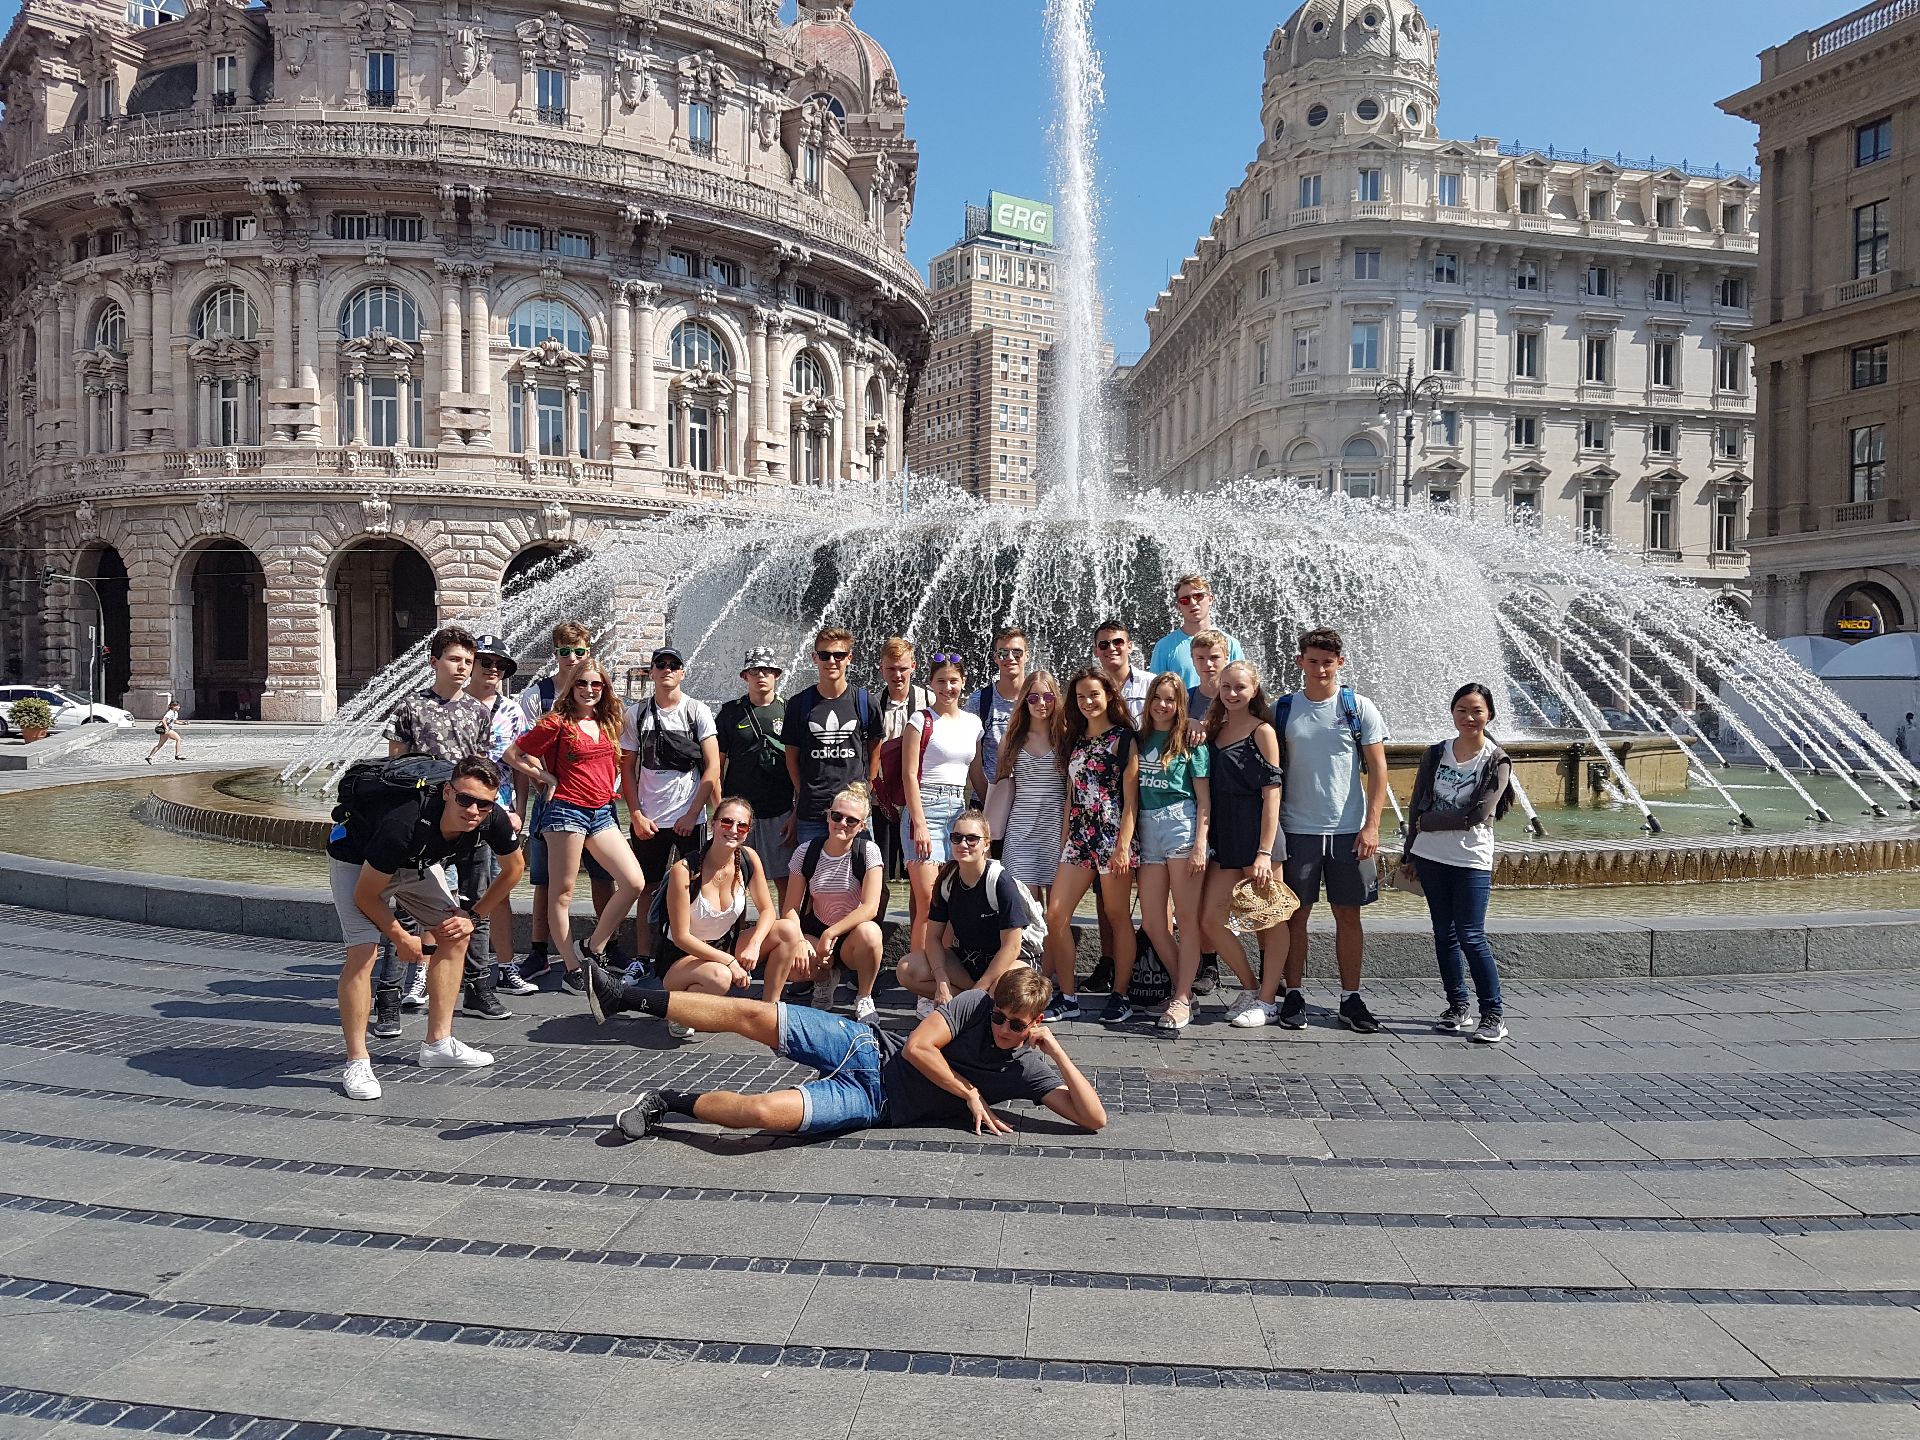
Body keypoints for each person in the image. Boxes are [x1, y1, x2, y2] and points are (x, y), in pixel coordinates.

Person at [584, 965, 1107, 1140]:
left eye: (1015, 1025)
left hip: (873, 1104)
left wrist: (1055, 1051)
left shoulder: (1027, 1067)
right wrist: (967, 1092)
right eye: (999, 1016)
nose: (1002, 1028)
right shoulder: (974, 1004)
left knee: (762, 1116)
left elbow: (1093, 1120)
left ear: (1033, 1024)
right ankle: (622, 996)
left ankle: (664, 1103)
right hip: (866, 1047)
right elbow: (920, 1047)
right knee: (755, 1015)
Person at [328, 755, 526, 1101]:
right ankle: (357, 1061)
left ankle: (438, 1043)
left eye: (484, 803)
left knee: (455, 933)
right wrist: (401, 937)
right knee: (363, 952)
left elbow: (514, 869)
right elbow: (366, 896)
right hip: (357, 860)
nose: (473, 811)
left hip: (415, 862)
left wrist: (472, 917)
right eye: (464, 799)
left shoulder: (491, 818)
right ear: (447, 792)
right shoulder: (403, 822)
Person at [380, 625, 506, 1024]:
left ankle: (478, 987)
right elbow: (395, 768)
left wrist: (491, 811)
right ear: (434, 662)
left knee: (475, 904)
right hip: (423, 826)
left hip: (470, 821)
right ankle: (389, 996)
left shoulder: (478, 711)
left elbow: (483, 769)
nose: (463, 667)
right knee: (406, 910)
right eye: (454, 659)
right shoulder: (411, 707)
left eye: (468, 661)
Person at [504, 657, 646, 992]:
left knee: (633, 882)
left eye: (596, 684)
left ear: (605, 688)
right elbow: (513, 754)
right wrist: (545, 776)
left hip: (601, 812)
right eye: (582, 683)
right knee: (562, 892)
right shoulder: (557, 722)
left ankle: (592, 947)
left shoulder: (608, 720)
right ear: (572, 687)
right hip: (565, 812)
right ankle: (571, 969)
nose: (589, 689)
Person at [1276, 628, 1390, 1034]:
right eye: (1313, 661)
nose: (1320, 669)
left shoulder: (1358, 707)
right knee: (1295, 915)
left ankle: (1350, 997)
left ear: (1340, 663)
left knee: (1348, 915)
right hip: (1297, 829)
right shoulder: (1283, 709)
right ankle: (1293, 993)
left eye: (1328, 662)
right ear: (1300, 662)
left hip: (1349, 831)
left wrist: (1372, 826)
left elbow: (1379, 770)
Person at [1405, 683, 1515, 1045]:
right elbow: (1417, 802)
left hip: (1471, 858)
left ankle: (1493, 1015)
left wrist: (1430, 821)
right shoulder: (1436, 753)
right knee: (1444, 933)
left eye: (1477, 711)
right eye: (1462, 710)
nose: (1469, 717)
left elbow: (1478, 814)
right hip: (1431, 855)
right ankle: (1457, 1007)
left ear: (1489, 715)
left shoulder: (1497, 760)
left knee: (1471, 935)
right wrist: (1410, 851)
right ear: (1452, 713)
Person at [1040, 669, 1140, 1024]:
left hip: (1112, 837)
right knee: (1056, 913)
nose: (1087, 702)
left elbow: (1131, 801)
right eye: (1081, 697)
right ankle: (1068, 996)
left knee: (1117, 916)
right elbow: (1072, 793)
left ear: (1109, 695)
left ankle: (1121, 996)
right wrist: (1065, 838)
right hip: (1080, 838)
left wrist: (1123, 846)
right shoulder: (1076, 739)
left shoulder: (1124, 739)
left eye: (1093, 694)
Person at [517, 622, 610, 982]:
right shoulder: (537, 696)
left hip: (597, 803)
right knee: (547, 881)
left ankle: (607, 947)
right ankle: (539, 951)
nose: (572, 658)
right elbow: (524, 749)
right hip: (554, 803)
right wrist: (544, 779)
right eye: (564, 651)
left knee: (603, 875)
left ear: (589, 652)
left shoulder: (597, 694)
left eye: (579, 651)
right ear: (555, 653)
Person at [1200, 661, 1290, 1028]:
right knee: (1210, 918)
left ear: (1254, 690)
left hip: (1258, 837)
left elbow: (1272, 795)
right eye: (1226, 687)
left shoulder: (1263, 731)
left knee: (1270, 919)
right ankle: (1251, 987)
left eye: (1240, 687)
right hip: (1226, 837)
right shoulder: (1215, 730)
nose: (1232, 693)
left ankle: (1268, 1001)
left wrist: (1264, 852)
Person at [652, 796, 781, 1038]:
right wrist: (729, 962)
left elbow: (768, 910)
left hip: (723, 946)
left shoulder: (748, 858)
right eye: (727, 822)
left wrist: (754, 944)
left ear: (748, 831)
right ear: (713, 823)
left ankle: (768, 1009)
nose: (733, 830)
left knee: (787, 931)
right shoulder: (684, 870)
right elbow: (681, 937)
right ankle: (681, 1011)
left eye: (742, 825)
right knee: (720, 977)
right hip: (681, 958)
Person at [621, 646, 720, 957]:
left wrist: (694, 813)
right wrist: (636, 814)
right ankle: (643, 956)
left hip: (690, 819)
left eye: (673, 665)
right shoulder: (636, 714)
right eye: (660, 664)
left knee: (694, 884)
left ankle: (691, 953)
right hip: (649, 819)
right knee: (646, 887)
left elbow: (713, 766)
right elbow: (626, 768)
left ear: (682, 673)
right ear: (651, 672)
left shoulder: (697, 711)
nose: (667, 670)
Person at [761, 782, 886, 1019]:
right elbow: (790, 907)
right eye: (837, 816)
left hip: (851, 935)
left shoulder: (868, 851)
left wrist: (831, 934)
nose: (842, 823)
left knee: (871, 933)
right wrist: (799, 940)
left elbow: (870, 907)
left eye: (851, 821)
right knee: (791, 960)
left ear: (862, 826)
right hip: (816, 930)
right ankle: (824, 978)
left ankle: (864, 996)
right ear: (828, 816)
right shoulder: (806, 851)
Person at [898, 809, 1043, 1013]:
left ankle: (973, 1004)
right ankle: (974, 1005)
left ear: (987, 844)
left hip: (1012, 960)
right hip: (970, 960)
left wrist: (978, 989)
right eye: (957, 838)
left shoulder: (1000, 882)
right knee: (906, 969)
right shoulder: (947, 881)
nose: (963, 844)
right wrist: (941, 981)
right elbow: (933, 937)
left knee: (1005, 987)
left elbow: (1011, 947)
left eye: (972, 839)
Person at [901, 652, 986, 980]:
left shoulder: (973, 723)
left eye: (953, 681)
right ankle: (919, 978)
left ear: (963, 682)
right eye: (941, 681)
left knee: (950, 903)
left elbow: (976, 774)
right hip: (924, 808)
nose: (948, 687)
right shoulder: (920, 720)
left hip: (958, 812)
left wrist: (993, 811)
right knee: (928, 903)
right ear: (930, 683)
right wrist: (920, 824)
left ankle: (944, 978)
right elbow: (909, 775)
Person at [1135, 673, 1212, 1033]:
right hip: (1147, 829)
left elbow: (1204, 800)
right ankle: (1187, 989)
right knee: (1153, 922)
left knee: (1186, 917)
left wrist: (1200, 844)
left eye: (1170, 699)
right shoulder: (1139, 738)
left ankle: (1181, 997)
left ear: (1180, 704)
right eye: (1157, 698)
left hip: (1181, 824)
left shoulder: (1191, 741)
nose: (1162, 705)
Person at [469, 633, 538, 997]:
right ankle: (426, 969)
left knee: (499, 892)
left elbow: (520, 764)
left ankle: (506, 966)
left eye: (500, 665)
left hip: (499, 811)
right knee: (445, 891)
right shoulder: (454, 705)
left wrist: (519, 810)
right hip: (457, 810)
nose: (493, 669)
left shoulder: (512, 711)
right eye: (486, 662)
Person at [781, 627, 883, 849]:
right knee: (813, 869)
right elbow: (791, 758)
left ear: (849, 659)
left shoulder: (865, 702)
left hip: (854, 812)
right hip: (812, 813)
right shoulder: (799, 704)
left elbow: (875, 751)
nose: (831, 661)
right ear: (814, 658)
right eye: (824, 655)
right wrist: (804, 793)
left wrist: (866, 788)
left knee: (860, 868)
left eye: (839, 655)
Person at [714, 647, 793, 879]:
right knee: (735, 877)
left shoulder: (789, 710)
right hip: (739, 812)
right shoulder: (730, 712)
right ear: (744, 676)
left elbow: (800, 764)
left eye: (767, 670)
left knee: (784, 876)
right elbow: (717, 765)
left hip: (779, 809)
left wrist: (796, 811)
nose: (761, 675)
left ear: (776, 674)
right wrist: (720, 809)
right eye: (754, 671)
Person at [1183, 630, 1233, 996]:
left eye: (1214, 657)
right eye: (1201, 658)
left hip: (1234, 801)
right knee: (1200, 893)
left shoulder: (1237, 694)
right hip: (1197, 802)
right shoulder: (1186, 699)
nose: (1208, 664)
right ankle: (1208, 963)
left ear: (1226, 656)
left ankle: (1270, 968)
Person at [996, 671, 1068, 900]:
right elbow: (1001, 782)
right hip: (1021, 830)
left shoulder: (1066, 737)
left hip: (1056, 829)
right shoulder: (1011, 738)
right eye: (1033, 698)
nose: (1041, 703)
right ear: (1024, 701)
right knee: (1027, 906)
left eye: (1047, 697)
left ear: (1056, 698)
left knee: (1056, 912)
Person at [872, 637, 933, 882]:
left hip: (919, 797)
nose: (897, 675)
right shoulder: (872, 704)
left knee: (918, 869)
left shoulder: (930, 701)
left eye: (903, 668)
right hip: (882, 798)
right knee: (882, 870)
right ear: (881, 668)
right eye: (891, 669)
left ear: (913, 666)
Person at [968, 626, 1031, 805]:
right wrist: (990, 803)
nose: (1010, 658)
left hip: (1028, 804)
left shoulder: (1039, 700)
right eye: (1003, 653)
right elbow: (973, 760)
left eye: (1017, 652)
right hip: (985, 799)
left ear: (1027, 656)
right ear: (995, 657)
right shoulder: (979, 701)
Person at [1148, 573, 1247, 688]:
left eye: (1198, 596)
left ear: (1210, 599)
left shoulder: (1231, 644)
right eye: (1185, 600)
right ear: (1178, 606)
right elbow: (1155, 690)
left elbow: (1242, 684)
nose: (1193, 603)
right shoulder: (1164, 647)